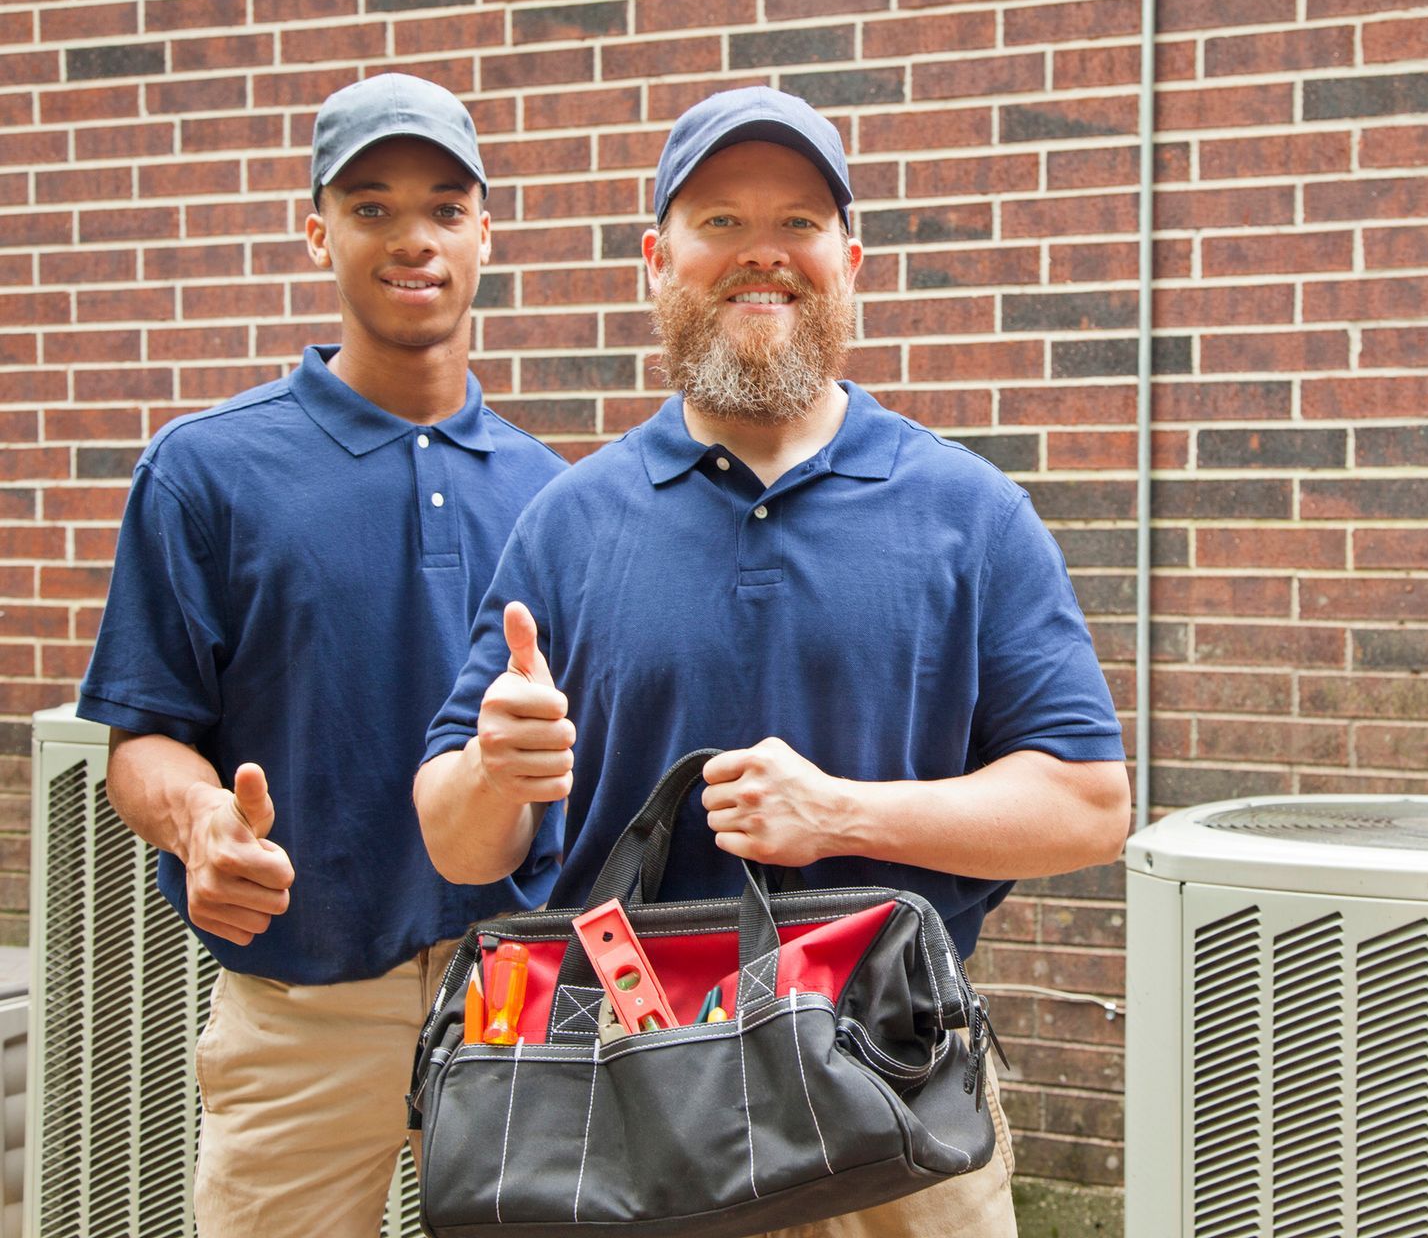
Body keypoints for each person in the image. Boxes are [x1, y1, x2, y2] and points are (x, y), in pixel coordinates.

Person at [413, 85, 1132, 1236]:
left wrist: (840, 811)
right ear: (657, 258)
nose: (764, 255)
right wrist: (495, 771)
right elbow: (456, 836)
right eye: (720, 223)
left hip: (894, 1107)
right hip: (619, 1108)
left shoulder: (970, 512)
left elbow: (1091, 805)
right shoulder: (568, 520)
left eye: (798, 222)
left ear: (853, 257)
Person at [76, 73, 568, 1237]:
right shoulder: (205, 471)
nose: (414, 239)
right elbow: (143, 738)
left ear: (486, 232)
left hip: (518, 992)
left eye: (447, 208)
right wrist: (197, 820)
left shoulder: (559, 498)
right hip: (300, 1001)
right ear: (318, 229)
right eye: (372, 206)